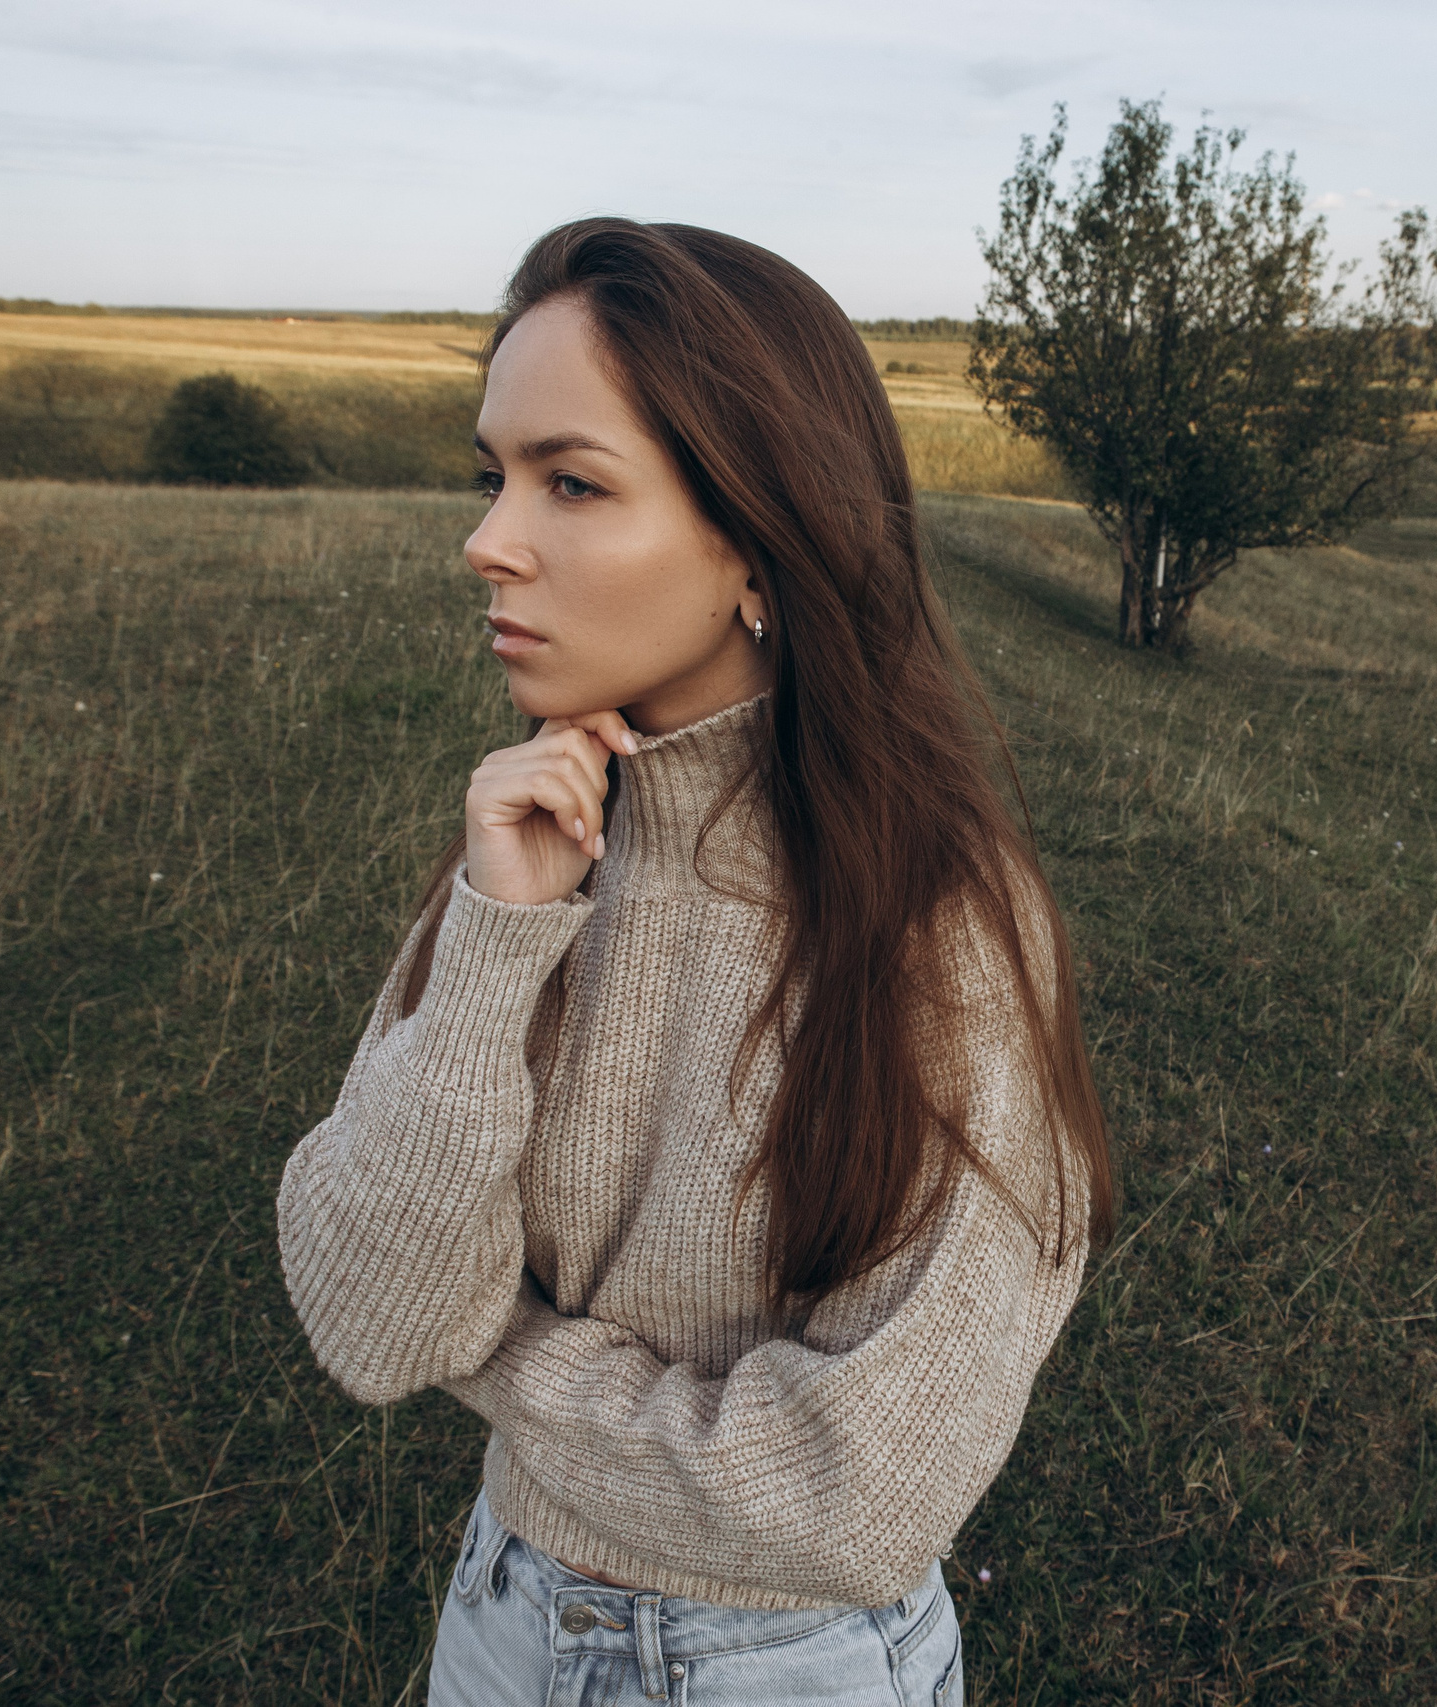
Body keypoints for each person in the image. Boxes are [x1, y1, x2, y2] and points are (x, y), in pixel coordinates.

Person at [275, 217, 1117, 1707]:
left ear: (755, 545)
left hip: (782, 1668)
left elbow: (861, 1492)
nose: (487, 538)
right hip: (497, 1618)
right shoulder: (527, 848)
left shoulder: (941, 925)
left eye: (572, 482)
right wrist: (492, 946)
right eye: (494, 475)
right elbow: (365, 1317)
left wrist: (503, 1362)